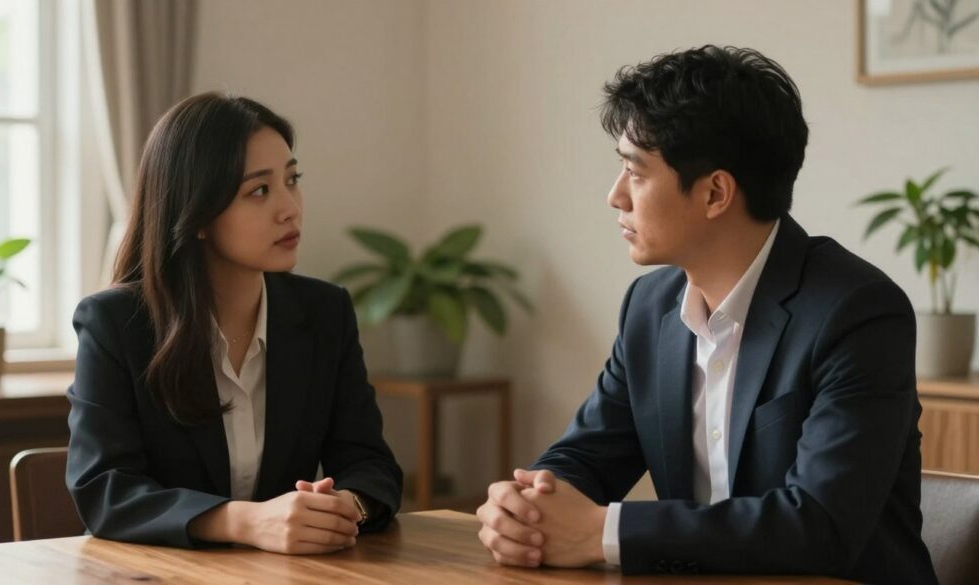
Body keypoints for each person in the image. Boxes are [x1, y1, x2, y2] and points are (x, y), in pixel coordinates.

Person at [476, 45, 937, 584]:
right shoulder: (649, 308)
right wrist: (527, 506)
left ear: (715, 192)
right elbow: (589, 456)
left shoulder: (856, 312)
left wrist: (602, 532)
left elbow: (820, 526)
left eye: (636, 172)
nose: (614, 196)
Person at [66, 92, 402, 555]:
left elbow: (368, 461)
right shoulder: (116, 323)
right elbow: (106, 491)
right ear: (197, 214)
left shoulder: (325, 312)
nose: (290, 208)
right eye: (259, 191)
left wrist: (346, 507)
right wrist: (245, 522)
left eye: (292, 180)